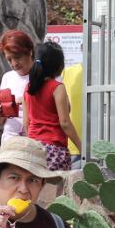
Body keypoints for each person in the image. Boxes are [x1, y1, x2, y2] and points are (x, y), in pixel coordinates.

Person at [21, 41, 78, 173]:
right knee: (56, 193)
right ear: (59, 65)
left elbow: (26, 123)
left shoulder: (28, 89)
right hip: (55, 149)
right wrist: (81, 146)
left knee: (35, 191)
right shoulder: (57, 88)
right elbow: (64, 123)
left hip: (33, 149)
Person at [0, 29, 34, 142]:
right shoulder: (7, 77)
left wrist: (25, 101)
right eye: (9, 59)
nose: (14, 63)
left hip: (33, 142)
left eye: (17, 57)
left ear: (29, 51)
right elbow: (1, 121)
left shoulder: (44, 77)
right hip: (9, 142)